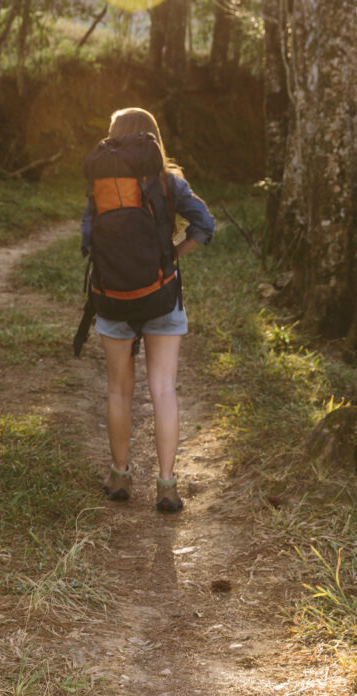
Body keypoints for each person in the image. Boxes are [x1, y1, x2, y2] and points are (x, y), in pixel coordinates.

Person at [81, 107, 214, 513]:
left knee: (119, 390)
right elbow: (204, 224)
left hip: (113, 298)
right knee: (163, 391)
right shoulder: (168, 181)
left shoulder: (102, 184)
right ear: (153, 138)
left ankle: (120, 476)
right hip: (161, 295)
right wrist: (173, 254)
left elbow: (88, 241)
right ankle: (167, 485)